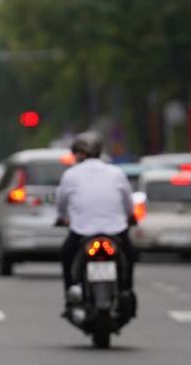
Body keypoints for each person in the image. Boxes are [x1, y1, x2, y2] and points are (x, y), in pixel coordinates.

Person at [54, 131, 137, 313]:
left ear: (79, 154)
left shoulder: (70, 175)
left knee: (66, 255)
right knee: (130, 254)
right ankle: (126, 290)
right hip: (115, 230)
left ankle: (70, 295)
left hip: (82, 231)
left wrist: (61, 217)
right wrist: (130, 216)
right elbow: (128, 202)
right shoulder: (116, 172)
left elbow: (61, 203)